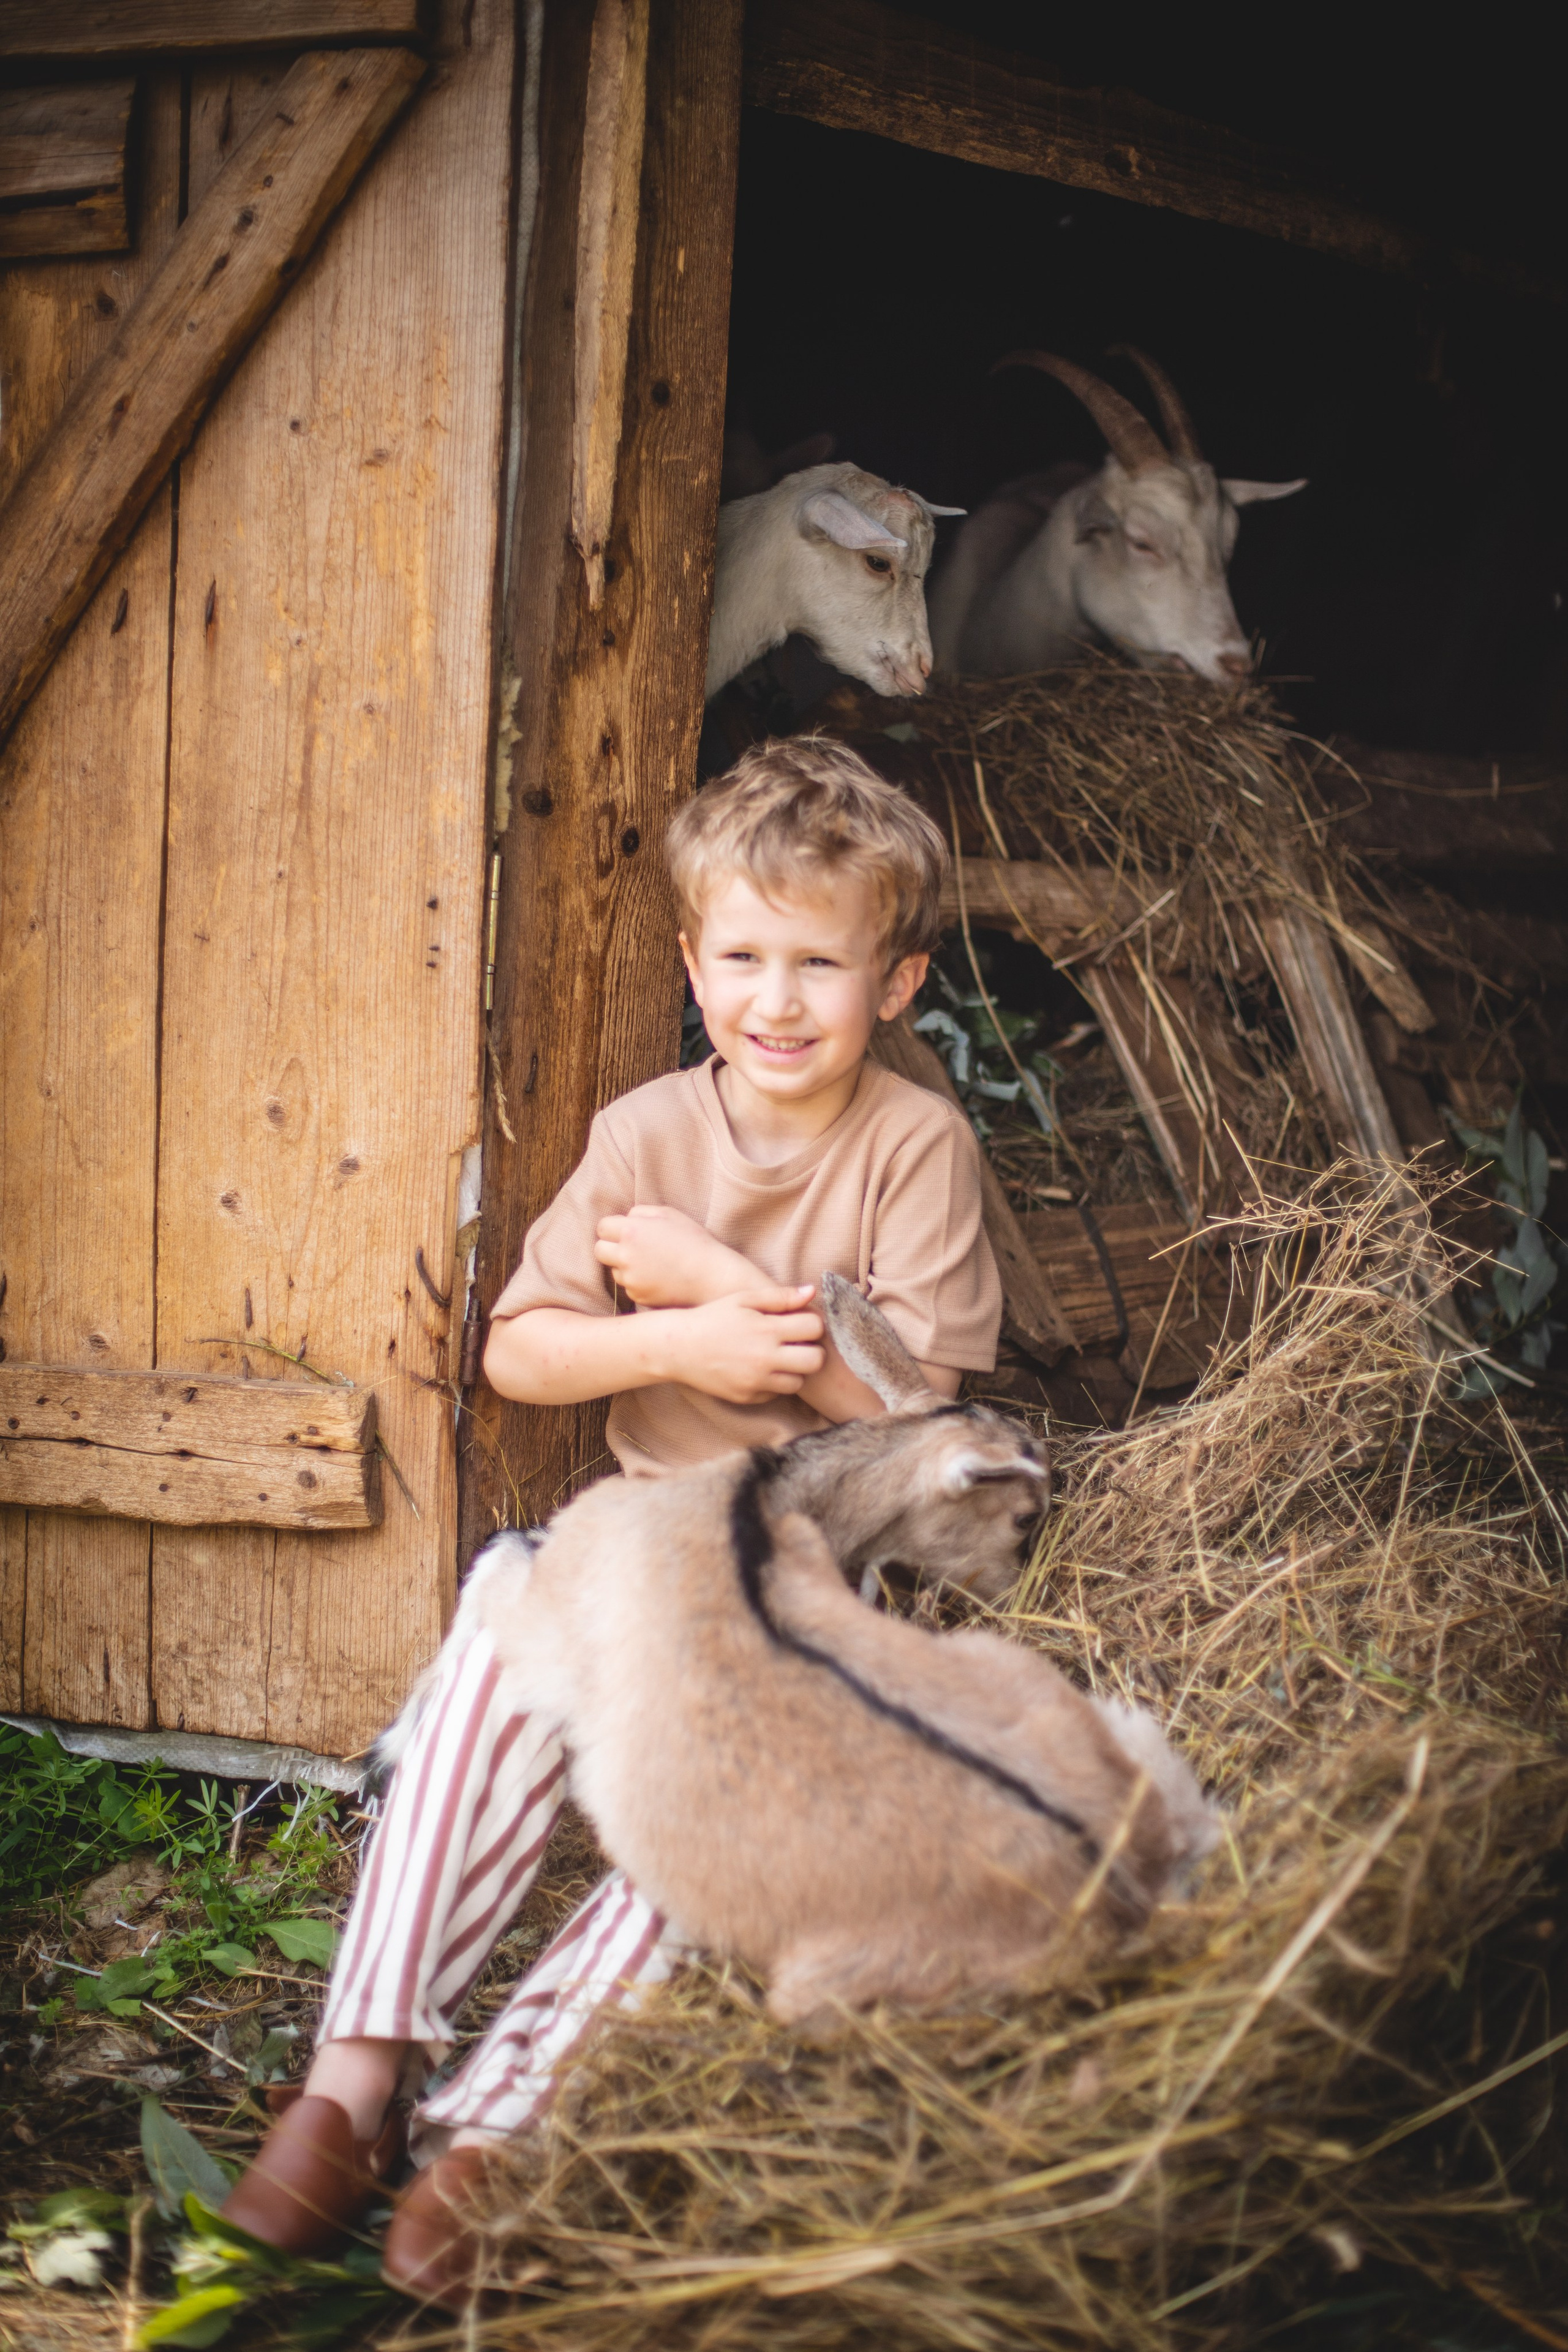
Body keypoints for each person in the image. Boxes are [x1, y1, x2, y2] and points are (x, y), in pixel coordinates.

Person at [217, 736, 1002, 2303]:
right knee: (499, 1637)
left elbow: (923, 1428)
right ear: (692, 961)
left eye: (819, 964)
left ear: (897, 983)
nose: (775, 1001)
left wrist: (726, 1297)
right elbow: (520, 1349)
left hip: (799, 1579)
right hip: (630, 1537)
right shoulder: (648, 1129)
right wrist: (666, 1349)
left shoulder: (918, 1148)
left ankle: (494, 2132)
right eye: (741, 957)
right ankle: (355, 2078)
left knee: (703, 1810)